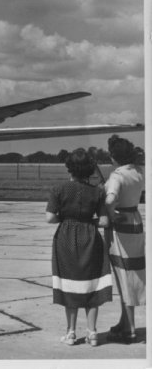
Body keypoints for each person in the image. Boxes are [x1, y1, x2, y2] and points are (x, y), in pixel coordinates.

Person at [46, 148, 111, 346]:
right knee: (92, 284)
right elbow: (105, 221)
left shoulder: (59, 189)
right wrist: (88, 223)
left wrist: (64, 218)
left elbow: (49, 218)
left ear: (69, 169)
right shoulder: (97, 192)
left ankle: (71, 333)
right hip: (91, 238)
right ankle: (92, 333)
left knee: (69, 284)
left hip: (66, 237)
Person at [104, 135, 145, 343]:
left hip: (120, 227)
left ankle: (129, 328)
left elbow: (110, 198)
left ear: (114, 157)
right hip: (136, 223)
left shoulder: (117, 175)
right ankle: (124, 321)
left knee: (123, 276)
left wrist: (110, 213)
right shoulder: (139, 171)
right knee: (133, 273)